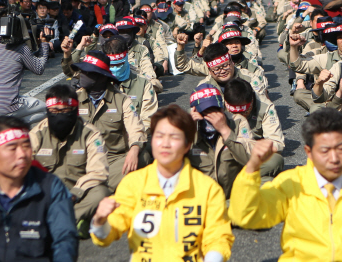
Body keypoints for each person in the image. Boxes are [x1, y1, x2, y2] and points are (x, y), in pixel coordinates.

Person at [228, 108, 342, 261]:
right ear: (308, 152)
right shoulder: (290, 183)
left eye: (341, 148)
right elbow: (247, 216)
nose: (334, 158)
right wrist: (252, 168)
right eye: (325, 151)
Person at [90, 105, 234, 261]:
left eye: (174, 137)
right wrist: (100, 221)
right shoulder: (133, 183)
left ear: (187, 145)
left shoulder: (208, 189)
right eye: (159, 136)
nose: (165, 143)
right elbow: (110, 232)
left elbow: (218, 237)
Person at [0, 116, 78, 261]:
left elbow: (65, 239)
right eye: (12, 148)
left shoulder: (50, 186)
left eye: (26, 146)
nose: (22, 154)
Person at [30, 85, 110, 236]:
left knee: (102, 193)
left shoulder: (90, 133)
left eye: (65, 111)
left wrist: (74, 193)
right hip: (46, 194)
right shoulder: (37, 134)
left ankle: (54, 222)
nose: (59, 115)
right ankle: (72, 222)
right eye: (54, 111)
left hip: (77, 194)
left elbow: (98, 172)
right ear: (47, 111)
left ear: (75, 110)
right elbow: (23, 167)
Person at [70, 50, 147, 191]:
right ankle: (95, 188)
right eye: (82, 71)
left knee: (144, 155)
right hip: (81, 158)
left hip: (112, 160)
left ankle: (91, 189)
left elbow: (135, 128)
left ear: (100, 77)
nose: (81, 75)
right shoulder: (74, 99)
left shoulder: (122, 100)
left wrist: (134, 149)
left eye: (87, 72)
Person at [0, 9, 51, 124]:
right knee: (47, 110)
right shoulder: (20, 48)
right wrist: (44, 44)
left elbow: (13, 59)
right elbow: (39, 69)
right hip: (6, 107)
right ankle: (10, 125)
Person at [187, 84, 255, 198]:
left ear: (223, 109)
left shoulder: (237, 122)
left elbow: (251, 161)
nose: (212, 116)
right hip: (200, 201)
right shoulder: (185, 127)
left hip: (231, 198)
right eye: (206, 111)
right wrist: (190, 131)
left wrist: (225, 131)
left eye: (216, 110)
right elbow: (172, 167)